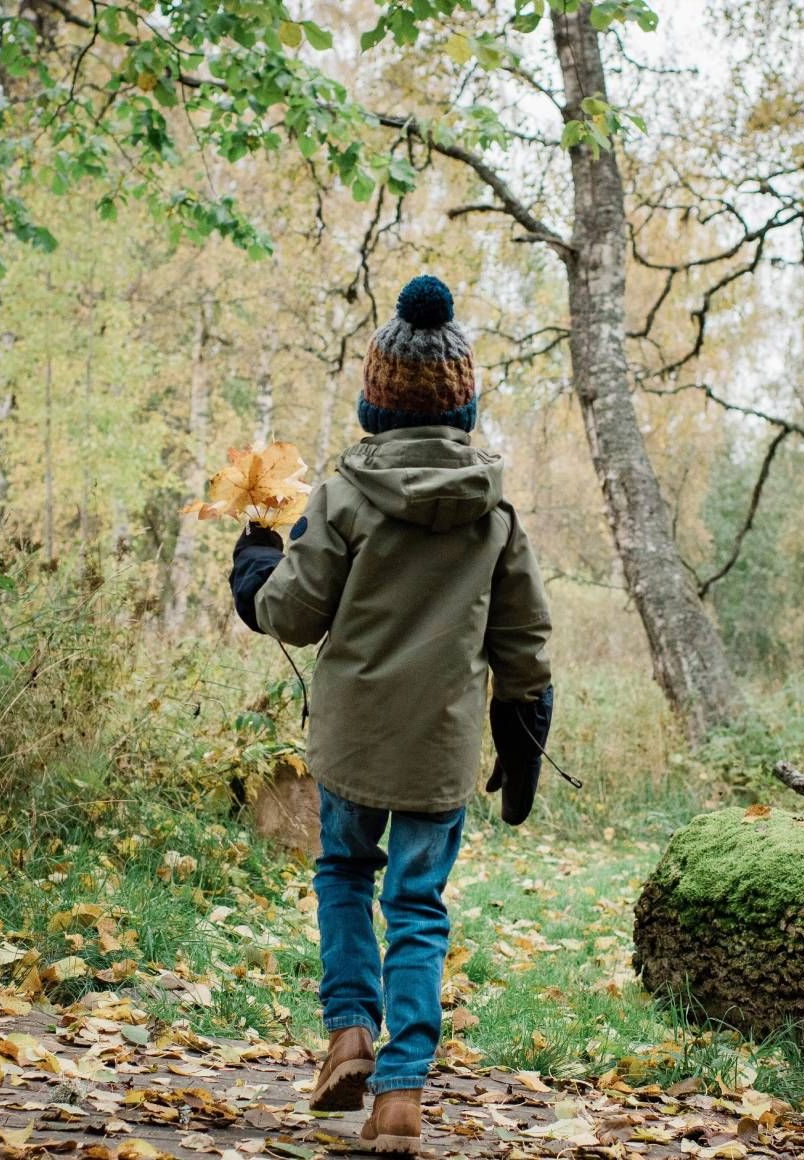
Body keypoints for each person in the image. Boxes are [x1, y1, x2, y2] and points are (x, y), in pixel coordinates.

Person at [230, 274, 554, 1155]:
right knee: (417, 906)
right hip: (438, 750)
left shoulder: (345, 498)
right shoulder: (495, 516)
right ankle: (402, 1094)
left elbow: (293, 612)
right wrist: (524, 734)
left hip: (353, 741)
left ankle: (348, 1035)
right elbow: (524, 642)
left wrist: (255, 566)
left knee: (344, 874)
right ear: (463, 406)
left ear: (377, 401)